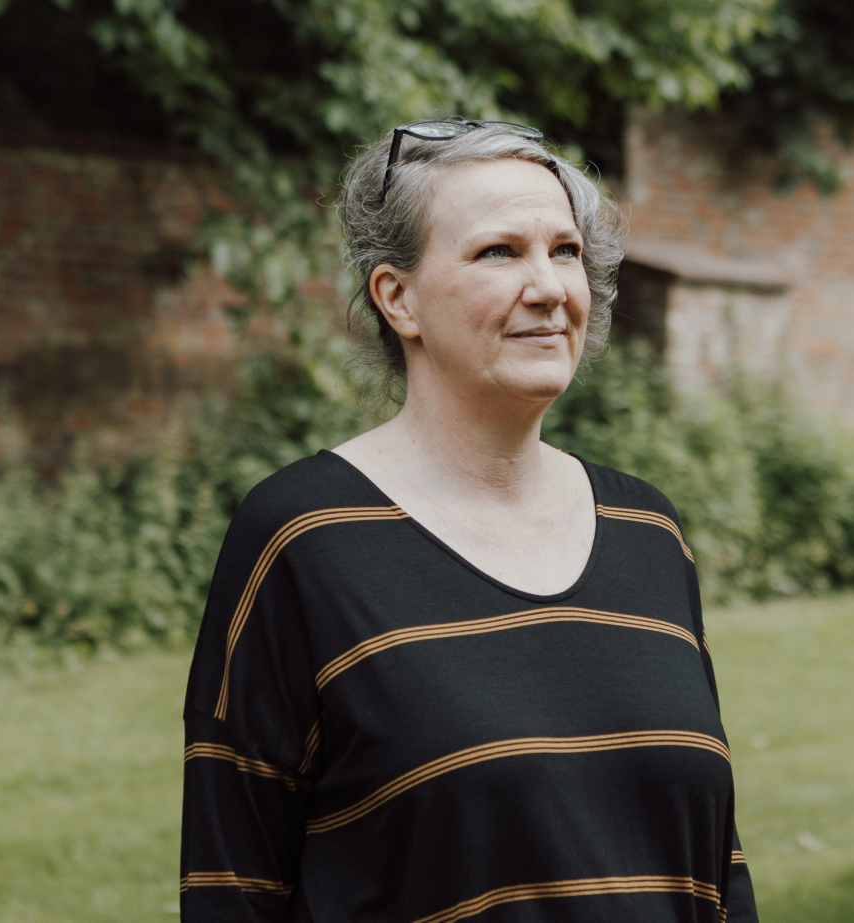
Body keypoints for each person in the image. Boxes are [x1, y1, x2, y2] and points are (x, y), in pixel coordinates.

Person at [180, 120, 759, 923]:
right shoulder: (303, 537)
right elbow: (232, 887)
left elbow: (718, 868)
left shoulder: (647, 530)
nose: (550, 286)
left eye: (565, 250)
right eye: (499, 252)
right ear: (398, 298)